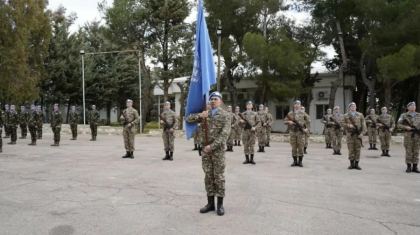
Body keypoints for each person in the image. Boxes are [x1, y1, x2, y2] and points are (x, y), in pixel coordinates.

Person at [186, 91, 230, 216]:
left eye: (216, 99)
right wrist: (201, 115)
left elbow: (224, 135)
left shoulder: (225, 115)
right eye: (211, 99)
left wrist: (212, 146)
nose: (213, 101)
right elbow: (188, 118)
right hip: (205, 151)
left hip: (217, 151)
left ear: (221, 101)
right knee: (208, 176)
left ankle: (220, 204)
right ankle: (210, 203)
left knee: (219, 177)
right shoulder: (206, 113)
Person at [284, 100, 311, 167]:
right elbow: (285, 121)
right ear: (294, 105)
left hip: (300, 132)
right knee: (293, 147)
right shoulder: (290, 113)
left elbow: (309, 122)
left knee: (301, 146)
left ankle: (300, 162)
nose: (297, 105)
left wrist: (306, 129)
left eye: (298, 104)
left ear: (300, 105)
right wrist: (289, 122)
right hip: (292, 132)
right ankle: (294, 161)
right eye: (296, 104)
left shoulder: (303, 113)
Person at [397, 102, 420, 173]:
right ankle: (409, 166)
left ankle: (415, 167)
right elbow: (398, 124)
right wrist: (405, 127)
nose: (413, 107)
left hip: (417, 136)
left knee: (416, 151)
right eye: (411, 106)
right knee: (408, 151)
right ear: (408, 107)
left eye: (414, 106)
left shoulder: (419, 115)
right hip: (408, 136)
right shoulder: (404, 115)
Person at [344, 102, 367, 170]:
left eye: (354, 106)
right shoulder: (346, 115)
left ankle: (356, 164)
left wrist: (362, 133)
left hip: (358, 134)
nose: (353, 107)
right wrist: (349, 125)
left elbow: (364, 125)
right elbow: (342, 124)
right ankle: (351, 164)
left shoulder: (360, 115)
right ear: (349, 107)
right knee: (351, 149)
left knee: (357, 149)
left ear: (356, 107)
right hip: (350, 135)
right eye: (352, 106)